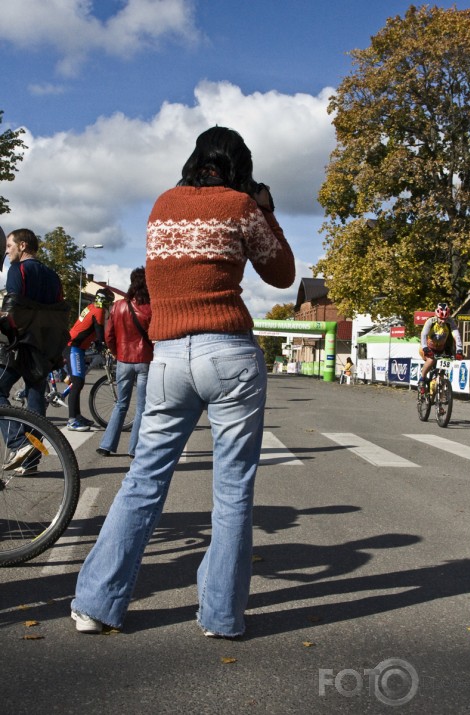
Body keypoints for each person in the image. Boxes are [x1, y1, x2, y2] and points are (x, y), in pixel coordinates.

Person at [71, 126, 295, 635]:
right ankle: (220, 616)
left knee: (144, 479)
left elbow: (159, 278)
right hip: (229, 353)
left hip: (168, 356)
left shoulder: (161, 205)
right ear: (240, 167)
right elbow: (282, 274)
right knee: (233, 489)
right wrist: (266, 209)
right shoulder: (241, 207)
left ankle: (96, 604)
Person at [0, 228, 66, 474]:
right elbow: (59, 310)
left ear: (23, 245)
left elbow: (12, 307)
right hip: (43, 345)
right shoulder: (53, 275)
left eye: (9, 246)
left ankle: (18, 443)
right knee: (36, 403)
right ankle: (30, 461)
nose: (6, 252)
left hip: (19, 344)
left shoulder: (19, 269)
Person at [96, 267, 153, 458]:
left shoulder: (118, 306)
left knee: (121, 403)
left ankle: (106, 445)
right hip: (145, 360)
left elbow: (108, 335)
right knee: (141, 407)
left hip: (123, 360)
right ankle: (134, 448)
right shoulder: (151, 307)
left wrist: (117, 353)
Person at [65, 286, 115, 431]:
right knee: (78, 382)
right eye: (110, 303)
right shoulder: (98, 311)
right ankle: (72, 420)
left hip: (76, 347)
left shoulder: (91, 306)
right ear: (105, 302)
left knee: (78, 382)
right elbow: (100, 335)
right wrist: (105, 347)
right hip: (73, 347)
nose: (110, 306)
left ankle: (78, 416)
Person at [418, 302, 464, 391]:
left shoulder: (450, 322)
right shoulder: (430, 321)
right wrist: (425, 348)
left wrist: (459, 350)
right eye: (441, 318)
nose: (443, 321)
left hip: (440, 349)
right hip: (427, 348)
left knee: (443, 369)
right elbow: (423, 335)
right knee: (431, 360)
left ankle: (441, 392)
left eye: (445, 318)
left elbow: (457, 336)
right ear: (436, 315)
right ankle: (422, 379)